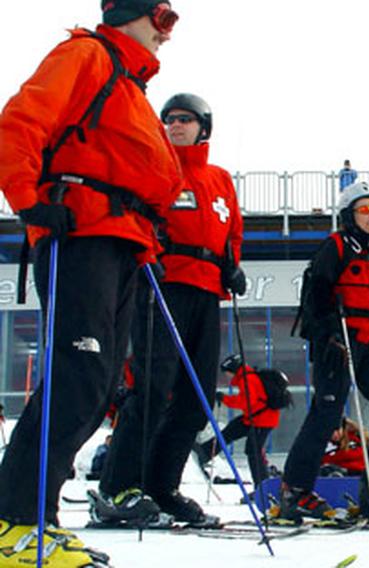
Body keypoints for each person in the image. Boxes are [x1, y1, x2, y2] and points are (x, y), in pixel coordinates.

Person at [0, 1, 181, 564]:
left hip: (122, 241)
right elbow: (19, 123)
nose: (167, 34)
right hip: (82, 233)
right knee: (78, 376)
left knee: (99, 385)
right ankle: (13, 520)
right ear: (132, 13)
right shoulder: (87, 55)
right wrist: (30, 202)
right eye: (164, 18)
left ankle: (34, 517)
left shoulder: (132, 87)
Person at [95, 92, 245, 527]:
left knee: (195, 398)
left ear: (204, 127)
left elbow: (231, 229)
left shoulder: (219, 179)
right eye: (169, 119)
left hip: (206, 292)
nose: (175, 125)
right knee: (153, 388)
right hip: (163, 286)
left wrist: (232, 265)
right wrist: (147, 253)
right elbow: (135, 215)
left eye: (185, 119)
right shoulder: (154, 168)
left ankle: (162, 486)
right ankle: (118, 487)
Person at [279, 181, 369, 521]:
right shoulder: (335, 247)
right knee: (326, 415)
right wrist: (327, 334)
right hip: (339, 340)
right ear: (349, 215)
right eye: (365, 210)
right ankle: (295, 491)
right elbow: (316, 297)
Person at [195, 355, 280, 489]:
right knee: (230, 431)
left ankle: (262, 488)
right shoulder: (246, 377)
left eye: (226, 373)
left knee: (253, 452)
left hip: (261, 421)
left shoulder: (248, 379)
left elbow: (246, 402)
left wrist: (225, 399)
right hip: (253, 418)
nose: (226, 377)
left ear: (232, 370)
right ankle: (204, 452)